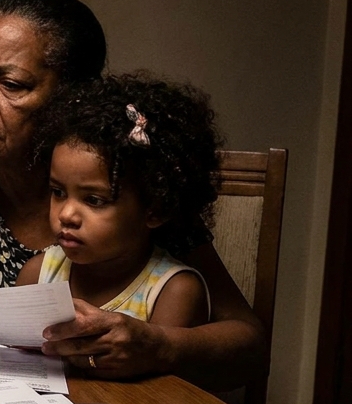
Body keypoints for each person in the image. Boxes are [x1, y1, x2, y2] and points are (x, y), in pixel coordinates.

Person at [0, 0, 265, 388]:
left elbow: (247, 345)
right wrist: (16, 321)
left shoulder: (130, 184)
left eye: (12, 84)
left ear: (72, 97)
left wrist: (160, 345)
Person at [17, 74, 221, 363]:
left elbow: (166, 392)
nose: (66, 214)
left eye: (94, 200)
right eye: (58, 192)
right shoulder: (38, 275)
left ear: (155, 210)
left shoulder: (174, 291)